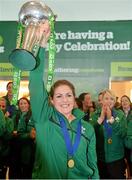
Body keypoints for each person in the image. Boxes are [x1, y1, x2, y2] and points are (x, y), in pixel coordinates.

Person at [27, 20, 99, 179]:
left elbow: (93, 166)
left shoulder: (88, 128)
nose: (64, 100)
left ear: (74, 99)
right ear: (51, 100)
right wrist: (41, 45)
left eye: (68, 95)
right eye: (58, 96)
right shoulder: (44, 118)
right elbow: (35, 82)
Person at [90, 89, 127, 179]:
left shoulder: (120, 115)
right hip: (100, 159)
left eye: (112, 99)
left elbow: (123, 134)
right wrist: (100, 119)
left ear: (114, 101)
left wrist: (111, 120)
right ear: (101, 101)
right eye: (106, 98)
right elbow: (89, 133)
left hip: (116, 159)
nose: (109, 101)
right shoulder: (95, 115)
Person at [9, 97, 36, 179]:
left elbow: (33, 134)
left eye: (25, 103)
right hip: (16, 149)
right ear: (18, 106)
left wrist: (20, 134)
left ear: (29, 105)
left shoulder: (33, 116)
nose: (23, 105)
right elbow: (11, 131)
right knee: (16, 172)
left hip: (28, 150)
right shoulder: (15, 116)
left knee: (27, 172)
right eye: (21, 103)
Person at [120, 95, 132, 177]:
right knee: (121, 167)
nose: (124, 102)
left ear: (130, 102)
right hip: (121, 145)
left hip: (131, 144)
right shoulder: (118, 114)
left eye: (126, 100)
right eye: (122, 101)